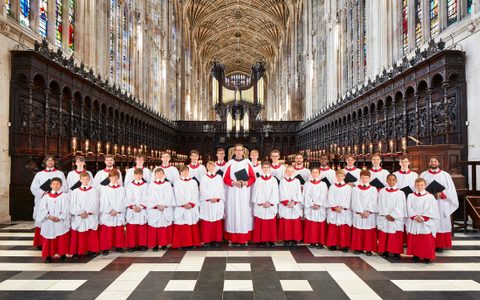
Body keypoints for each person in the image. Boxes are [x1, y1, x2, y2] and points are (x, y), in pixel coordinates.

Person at [420, 157, 459, 253]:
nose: (433, 163)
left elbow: (451, 190)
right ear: (429, 163)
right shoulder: (423, 174)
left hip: (441, 203)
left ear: (439, 163)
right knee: (428, 221)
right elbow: (419, 187)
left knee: (441, 222)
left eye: (435, 161)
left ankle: (440, 245)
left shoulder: (445, 175)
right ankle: (429, 243)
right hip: (427, 203)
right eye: (431, 161)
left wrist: (442, 194)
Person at [30, 155, 67, 249]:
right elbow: (33, 188)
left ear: (55, 162)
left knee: (57, 221)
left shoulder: (60, 174)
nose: (50, 162)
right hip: (44, 199)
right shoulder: (39, 174)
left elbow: (65, 187)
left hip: (57, 200)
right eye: (48, 161)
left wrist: (55, 191)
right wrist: (44, 192)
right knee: (44, 220)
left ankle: (57, 244)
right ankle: (42, 243)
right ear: (45, 162)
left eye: (52, 161)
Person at [223, 144, 256, 246]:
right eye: (236, 150)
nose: (238, 152)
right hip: (233, 193)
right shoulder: (230, 163)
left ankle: (244, 238)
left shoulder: (247, 163)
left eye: (240, 150)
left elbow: (253, 177)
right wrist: (233, 182)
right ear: (234, 152)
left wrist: (246, 183)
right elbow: (225, 178)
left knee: (244, 213)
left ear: (243, 152)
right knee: (233, 213)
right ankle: (232, 238)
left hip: (244, 193)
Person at [406, 178, 439, 263]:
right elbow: (409, 207)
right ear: (415, 185)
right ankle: (416, 255)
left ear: (425, 185)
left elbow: (432, 209)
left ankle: (427, 256)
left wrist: (424, 217)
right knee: (415, 239)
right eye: (417, 185)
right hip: (415, 220)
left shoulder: (430, 196)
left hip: (425, 222)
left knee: (426, 239)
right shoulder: (410, 196)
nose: (419, 187)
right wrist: (415, 216)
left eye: (421, 185)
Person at [37, 177, 70, 263]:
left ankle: (62, 254)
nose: (56, 186)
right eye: (54, 184)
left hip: (60, 220)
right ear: (51, 185)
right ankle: (48, 255)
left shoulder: (65, 196)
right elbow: (42, 209)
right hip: (49, 220)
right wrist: (48, 216)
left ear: (61, 185)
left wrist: (60, 217)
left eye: (58, 184)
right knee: (48, 238)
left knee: (61, 238)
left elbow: (66, 208)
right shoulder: (46, 197)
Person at [69, 172, 99, 259]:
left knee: (90, 233)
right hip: (79, 216)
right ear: (80, 180)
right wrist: (80, 212)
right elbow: (73, 204)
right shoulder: (75, 191)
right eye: (83, 179)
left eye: (86, 179)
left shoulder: (94, 191)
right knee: (79, 234)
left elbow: (95, 203)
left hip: (90, 215)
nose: (85, 181)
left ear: (89, 180)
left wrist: (88, 212)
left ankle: (91, 250)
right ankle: (77, 252)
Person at [377, 174, 406, 260]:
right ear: (386, 181)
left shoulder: (400, 193)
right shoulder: (382, 191)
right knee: (385, 234)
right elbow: (380, 203)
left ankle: (396, 253)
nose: (391, 181)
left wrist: (393, 215)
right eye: (389, 180)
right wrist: (386, 214)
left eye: (393, 180)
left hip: (395, 218)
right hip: (385, 217)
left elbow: (401, 206)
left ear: (396, 181)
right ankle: (385, 251)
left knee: (395, 235)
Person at [172, 166, 201, 249]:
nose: (184, 173)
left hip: (191, 207)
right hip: (181, 207)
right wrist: (184, 204)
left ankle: (192, 243)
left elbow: (196, 193)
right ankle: (180, 244)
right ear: (180, 173)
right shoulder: (177, 182)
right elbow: (177, 194)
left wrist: (191, 203)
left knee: (191, 223)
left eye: (186, 171)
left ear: (188, 172)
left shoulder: (193, 182)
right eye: (182, 171)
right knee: (181, 223)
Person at [251, 161, 279, 247]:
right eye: (264, 167)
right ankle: (261, 241)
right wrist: (262, 202)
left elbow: (275, 192)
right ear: (261, 168)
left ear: (270, 168)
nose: (266, 169)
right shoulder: (258, 180)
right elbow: (256, 193)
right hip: (261, 205)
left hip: (270, 205)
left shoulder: (273, 180)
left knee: (270, 223)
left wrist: (270, 202)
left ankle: (271, 240)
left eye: (267, 167)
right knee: (261, 222)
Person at [350, 170, 378, 256]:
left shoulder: (373, 189)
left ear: (369, 178)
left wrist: (368, 211)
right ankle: (358, 248)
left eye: (366, 178)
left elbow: (374, 201)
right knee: (358, 231)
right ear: (360, 178)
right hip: (359, 214)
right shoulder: (355, 189)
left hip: (369, 214)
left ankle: (368, 249)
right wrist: (360, 211)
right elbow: (354, 201)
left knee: (368, 232)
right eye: (362, 177)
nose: (364, 179)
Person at [147, 168, 175, 251]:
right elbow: (150, 197)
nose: (159, 175)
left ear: (164, 175)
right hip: (155, 209)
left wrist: (163, 205)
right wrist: (156, 205)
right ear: (155, 175)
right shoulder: (151, 185)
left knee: (164, 227)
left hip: (165, 208)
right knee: (155, 227)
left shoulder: (167, 184)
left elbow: (170, 196)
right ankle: (155, 245)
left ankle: (164, 244)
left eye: (161, 173)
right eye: (157, 173)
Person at [99, 170, 126, 255]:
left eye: (116, 177)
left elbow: (123, 200)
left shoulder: (121, 189)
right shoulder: (105, 189)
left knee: (118, 230)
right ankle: (106, 248)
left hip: (118, 212)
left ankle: (119, 246)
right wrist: (110, 210)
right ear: (109, 178)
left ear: (118, 178)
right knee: (107, 231)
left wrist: (117, 210)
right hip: (108, 213)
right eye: (112, 177)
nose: (114, 179)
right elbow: (103, 201)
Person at [199, 161, 225, 247]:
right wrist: (210, 198)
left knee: (216, 221)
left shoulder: (218, 177)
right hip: (207, 202)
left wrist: (216, 198)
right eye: (209, 166)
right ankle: (207, 240)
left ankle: (216, 240)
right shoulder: (203, 177)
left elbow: (220, 189)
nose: (211, 168)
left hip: (216, 202)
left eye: (212, 166)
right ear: (207, 167)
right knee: (207, 222)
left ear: (215, 167)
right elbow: (202, 189)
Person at [325, 170, 352, 252]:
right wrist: (335, 207)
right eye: (338, 176)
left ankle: (344, 245)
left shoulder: (348, 187)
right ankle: (333, 244)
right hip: (334, 210)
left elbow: (349, 199)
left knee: (343, 228)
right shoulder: (332, 187)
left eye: (341, 176)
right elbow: (330, 198)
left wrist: (342, 207)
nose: (340, 177)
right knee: (333, 228)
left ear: (344, 177)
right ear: (335, 176)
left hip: (344, 210)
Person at [278, 165, 304, 247]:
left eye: (292, 171)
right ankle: (286, 239)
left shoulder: (297, 181)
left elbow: (298, 193)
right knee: (286, 222)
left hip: (294, 205)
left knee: (294, 223)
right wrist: (286, 202)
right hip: (285, 205)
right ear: (286, 172)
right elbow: (281, 192)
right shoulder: (282, 181)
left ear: (294, 172)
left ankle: (294, 239)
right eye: (288, 171)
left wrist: (294, 202)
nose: (290, 173)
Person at [303, 168, 329, 248]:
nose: (315, 174)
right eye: (313, 172)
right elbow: (305, 195)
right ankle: (312, 242)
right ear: (311, 174)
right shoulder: (307, 184)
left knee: (320, 225)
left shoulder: (323, 184)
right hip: (311, 207)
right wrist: (311, 203)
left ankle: (320, 242)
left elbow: (324, 195)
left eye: (316, 172)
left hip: (319, 207)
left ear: (319, 174)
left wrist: (318, 204)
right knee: (311, 225)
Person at [125, 168, 148, 252]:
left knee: (142, 228)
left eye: (140, 174)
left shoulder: (146, 185)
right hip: (133, 209)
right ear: (134, 175)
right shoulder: (129, 185)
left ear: (142, 175)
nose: (138, 176)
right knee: (132, 228)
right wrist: (134, 206)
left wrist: (141, 206)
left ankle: (142, 245)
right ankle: (132, 245)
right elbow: (128, 197)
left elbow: (147, 197)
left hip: (142, 209)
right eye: (136, 174)